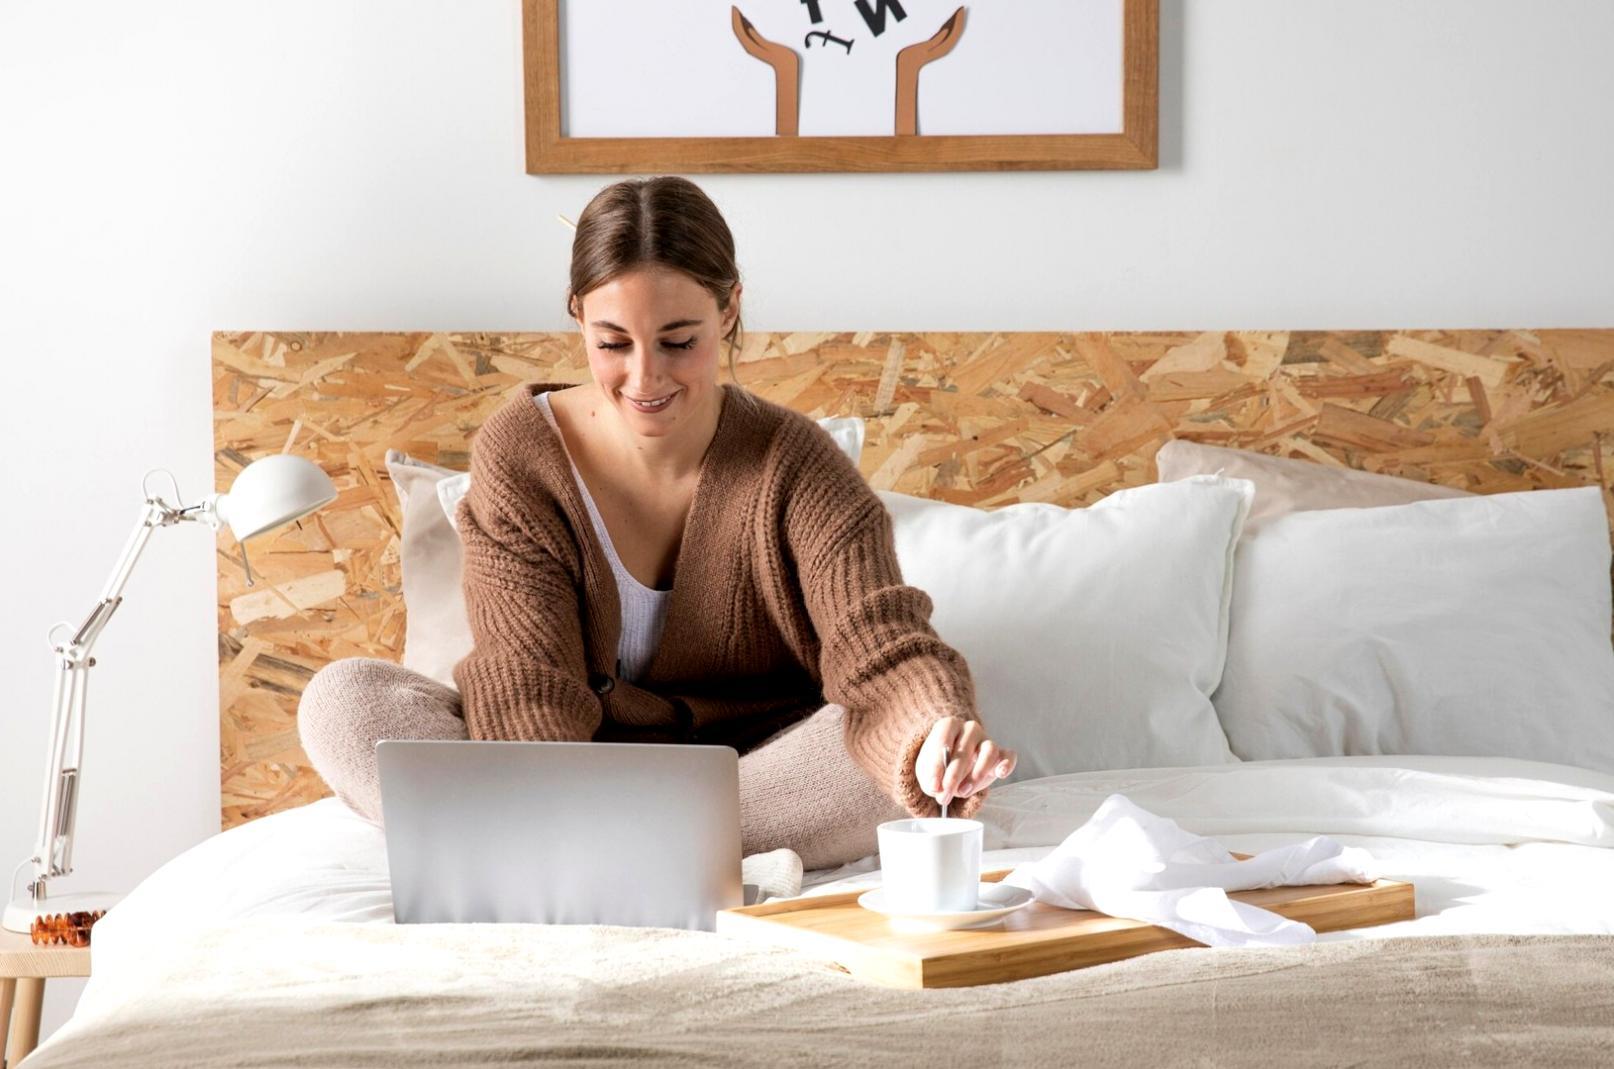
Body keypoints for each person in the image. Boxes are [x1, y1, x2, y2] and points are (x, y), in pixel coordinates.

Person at [297, 175, 1017, 870]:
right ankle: (640, 846)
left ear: (729, 309)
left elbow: (881, 646)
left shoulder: (795, 462)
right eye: (614, 343)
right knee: (343, 702)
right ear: (577, 311)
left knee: (878, 762)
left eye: (679, 341)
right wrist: (551, 788)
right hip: (564, 773)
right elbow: (525, 681)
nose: (645, 380)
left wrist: (931, 734)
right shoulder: (521, 454)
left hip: (755, 771)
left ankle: (557, 851)